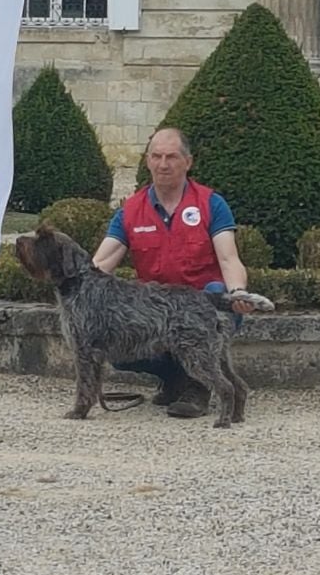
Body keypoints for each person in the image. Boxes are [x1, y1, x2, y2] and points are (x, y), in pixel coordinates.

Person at [93, 127, 253, 418]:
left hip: (205, 302)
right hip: (160, 309)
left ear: (187, 162)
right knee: (114, 343)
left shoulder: (211, 204)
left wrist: (238, 293)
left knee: (217, 295)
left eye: (171, 157)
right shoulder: (130, 210)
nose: (163, 164)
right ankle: (176, 378)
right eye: (156, 156)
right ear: (147, 160)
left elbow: (229, 259)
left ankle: (199, 385)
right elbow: (100, 264)